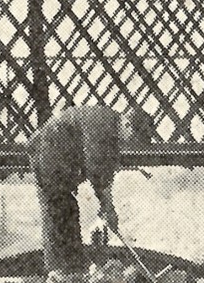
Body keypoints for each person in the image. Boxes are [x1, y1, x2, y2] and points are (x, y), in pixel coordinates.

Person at [27, 104, 153, 273]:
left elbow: (106, 171)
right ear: (128, 124)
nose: (132, 144)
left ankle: (73, 269)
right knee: (56, 212)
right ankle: (56, 272)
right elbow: (97, 170)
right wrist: (108, 208)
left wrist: (106, 208)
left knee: (69, 210)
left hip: (57, 160)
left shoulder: (112, 132)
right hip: (47, 154)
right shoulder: (103, 125)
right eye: (134, 138)